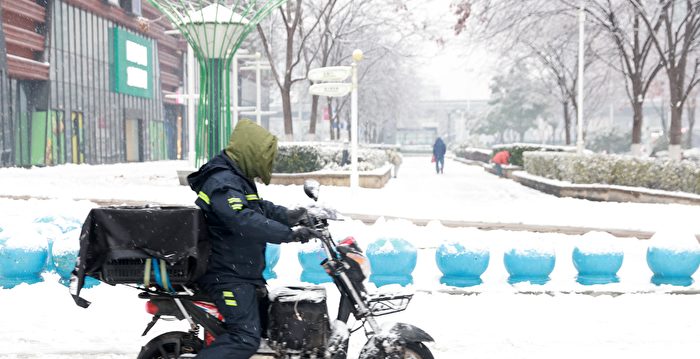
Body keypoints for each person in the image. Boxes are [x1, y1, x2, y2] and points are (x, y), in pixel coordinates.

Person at [186, 119, 322, 359]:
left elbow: (259, 209)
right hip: (227, 275)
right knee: (245, 338)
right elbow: (242, 219)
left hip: (241, 271)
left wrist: (293, 215)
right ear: (250, 151)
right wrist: (289, 234)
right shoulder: (222, 181)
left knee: (269, 334)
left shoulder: (235, 177)